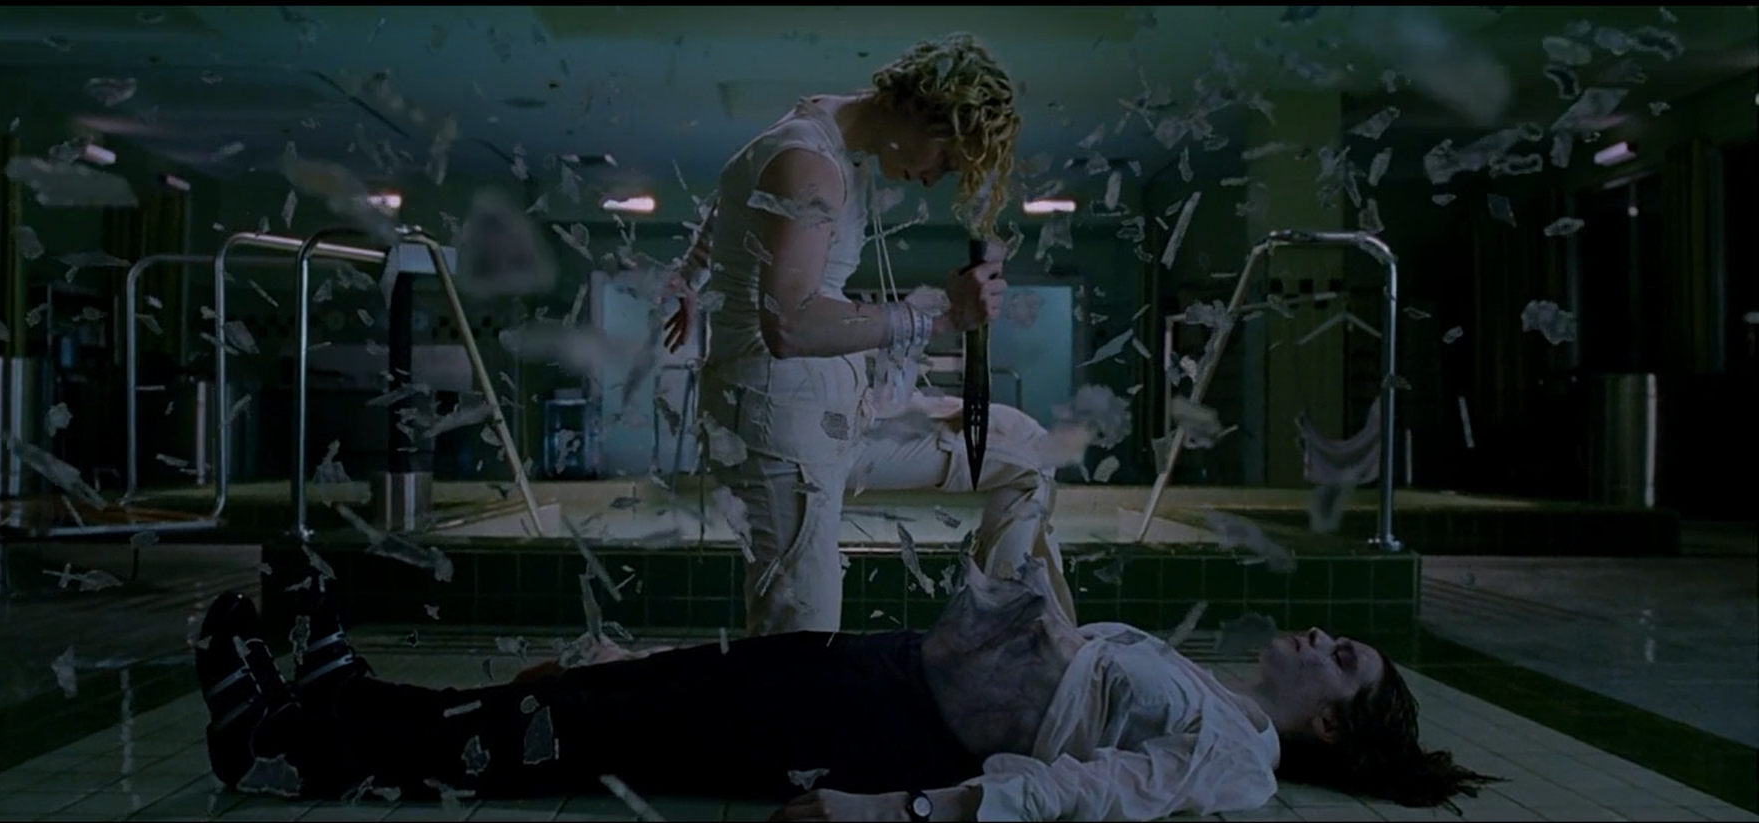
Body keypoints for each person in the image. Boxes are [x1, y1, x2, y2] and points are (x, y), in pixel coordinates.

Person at [197, 560, 1500, 821]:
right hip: (874, 671)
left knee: (598, 727)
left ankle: (298, 744)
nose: (1326, 633)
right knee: (617, 690)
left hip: (883, 728)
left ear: (1330, 720)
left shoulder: (1240, 760)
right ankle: (351, 699)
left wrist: (895, 812)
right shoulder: (1208, 686)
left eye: (1344, 655)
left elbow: (1093, 789)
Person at [656, 32, 1080, 636]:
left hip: (840, 411)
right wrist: (939, 319)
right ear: (920, 111)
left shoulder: (828, 137)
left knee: (1027, 453)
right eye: (945, 160)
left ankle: (1004, 643)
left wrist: (691, 274)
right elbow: (790, 323)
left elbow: (732, 196)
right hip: (781, 431)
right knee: (800, 649)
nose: (933, 180)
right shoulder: (808, 161)